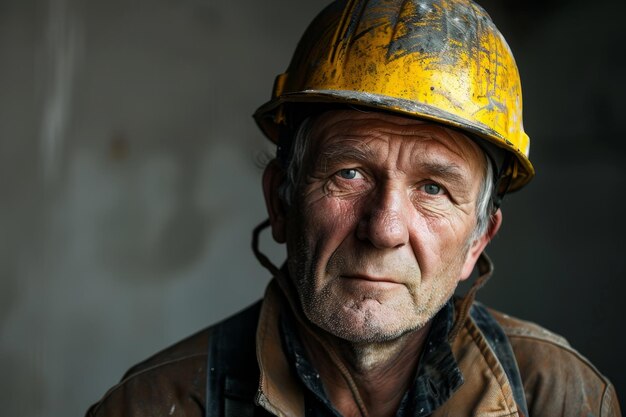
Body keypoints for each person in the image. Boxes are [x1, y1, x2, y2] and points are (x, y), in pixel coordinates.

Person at [86, 0, 622, 416]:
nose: (384, 228)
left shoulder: (563, 399)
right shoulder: (153, 406)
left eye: (434, 188)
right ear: (281, 202)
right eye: (350, 173)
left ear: (477, 241)